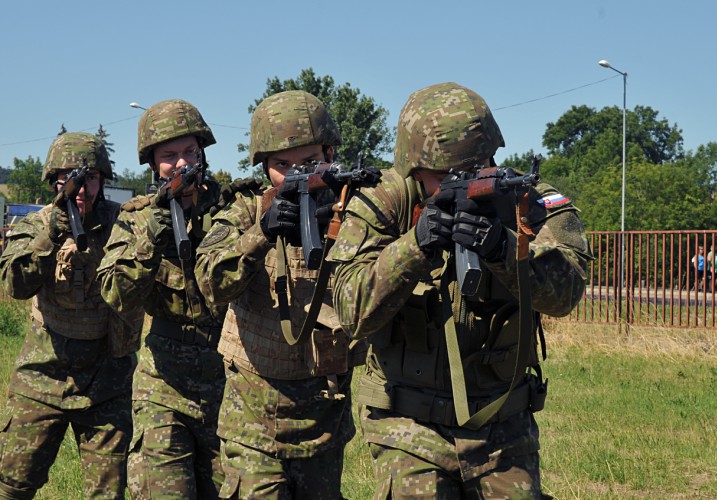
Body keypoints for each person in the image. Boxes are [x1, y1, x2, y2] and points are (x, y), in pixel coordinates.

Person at [329, 82, 591, 498]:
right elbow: (351, 311)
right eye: (444, 175)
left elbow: (567, 292)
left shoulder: (528, 201)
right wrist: (415, 246)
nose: (463, 182)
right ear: (414, 168)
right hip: (408, 425)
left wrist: (505, 248)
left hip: (502, 424)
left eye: (475, 167)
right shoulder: (385, 202)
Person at [195, 90, 371, 498]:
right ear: (264, 166)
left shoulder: (353, 208)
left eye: (309, 162)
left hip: (323, 416)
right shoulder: (246, 208)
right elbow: (209, 282)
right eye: (282, 166)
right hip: (252, 421)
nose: (297, 175)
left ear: (330, 154)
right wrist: (261, 233)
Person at [0, 132, 142, 499]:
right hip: (42, 375)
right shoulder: (37, 224)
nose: (81, 188)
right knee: (13, 484)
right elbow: (15, 284)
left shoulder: (123, 223)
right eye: (69, 178)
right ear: (54, 181)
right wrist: (51, 234)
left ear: (103, 180)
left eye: (90, 177)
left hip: (108, 380)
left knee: (108, 492)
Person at [97, 99, 226, 498]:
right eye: (169, 156)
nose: (181, 163)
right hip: (163, 382)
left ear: (202, 152)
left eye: (189, 151)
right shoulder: (136, 218)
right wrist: (151, 236)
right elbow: (116, 294)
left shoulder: (230, 208)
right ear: (153, 164)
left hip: (229, 382)